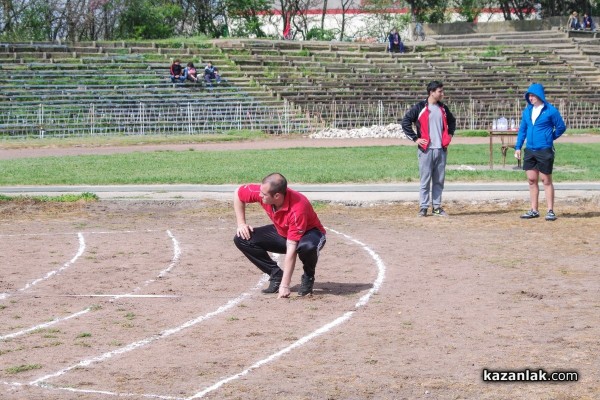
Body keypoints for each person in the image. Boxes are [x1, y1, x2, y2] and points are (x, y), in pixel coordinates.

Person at [233, 173, 326, 298]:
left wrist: (285, 285)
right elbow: (238, 193)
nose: (259, 195)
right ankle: (275, 274)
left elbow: (291, 248)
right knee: (242, 238)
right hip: (284, 231)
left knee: (306, 247)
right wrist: (241, 223)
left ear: (277, 196)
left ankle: (308, 276)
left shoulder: (297, 208)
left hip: (310, 233)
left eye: (264, 194)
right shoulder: (264, 191)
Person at [401, 80, 456, 217]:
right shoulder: (420, 107)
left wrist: (449, 135)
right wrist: (415, 138)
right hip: (426, 150)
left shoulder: (443, 108)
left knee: (439, 180)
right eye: (440, 91)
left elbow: (452, 121)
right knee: (425, 180)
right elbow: (405, 122)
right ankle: (423, 207)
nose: (442, 94)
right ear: (432, 92)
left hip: (441, 150)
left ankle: (436, 207)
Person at [514, 83, 566, 221]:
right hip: (530, 150)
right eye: (529, 96)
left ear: (539, 95)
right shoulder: (527, 111)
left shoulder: (551, 111)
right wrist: (518, 147)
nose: (530, 98)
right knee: (531, 180)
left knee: (546, 180)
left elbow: (561, 127)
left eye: (533, 95)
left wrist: (550, 137)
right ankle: (534, 210)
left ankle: (550, 210)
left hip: (544, 150)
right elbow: (522, 130)